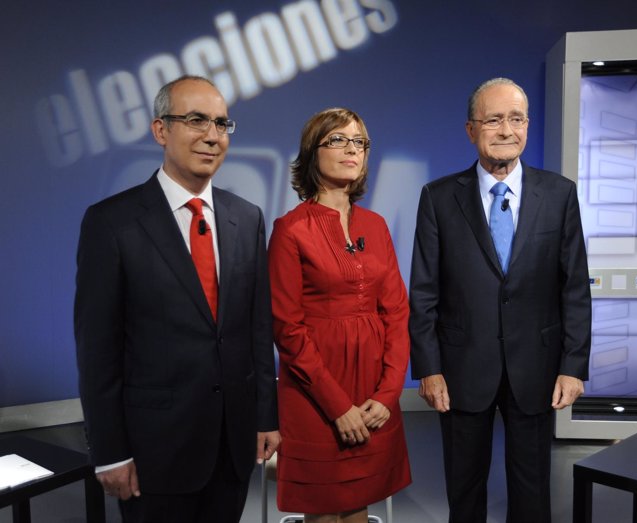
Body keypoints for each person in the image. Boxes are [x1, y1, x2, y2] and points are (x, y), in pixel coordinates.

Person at [74, 75, 280, 523]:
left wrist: (265, 416)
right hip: (154, 456)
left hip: (233, 448)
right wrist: (110, 452)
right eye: (196, 120)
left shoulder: (247, 219)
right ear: (160, 130)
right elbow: (98, 351)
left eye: (222, 124)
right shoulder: (111, 223)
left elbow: (257, 330)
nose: (212, 135)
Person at [408, 78, 592, 523]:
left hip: (537, 366)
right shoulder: (438, 197)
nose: (507, 130)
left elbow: (575, 287)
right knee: (464, 492)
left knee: (532, 496)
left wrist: (573, 364)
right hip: (461, 366)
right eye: (494, 119)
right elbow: (424, 291)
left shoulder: (560, 194)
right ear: (471, 130)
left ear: (527, 125)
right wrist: (429, 369)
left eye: (516, 119)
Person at [268, 108, 412, 523]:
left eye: (360, 142)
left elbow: (396, 313)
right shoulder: (290, 230)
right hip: (316, 395)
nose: (352, 149)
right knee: (326, 512)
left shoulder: (377, 225)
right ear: (312, 152)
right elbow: (287, 329)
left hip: (373, 393)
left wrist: (387, 395)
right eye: (338, 140)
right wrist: (337, 408)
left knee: (358, 507)